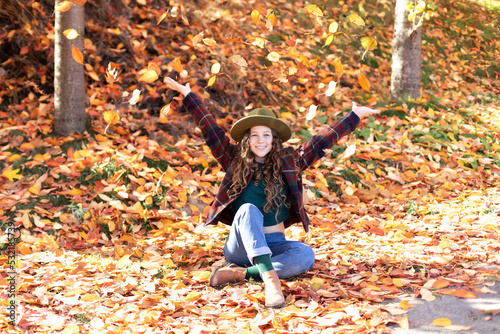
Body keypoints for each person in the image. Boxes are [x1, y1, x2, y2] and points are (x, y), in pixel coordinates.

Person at [165, 77, 380, 307]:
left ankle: (239, 274)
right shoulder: (234, 160)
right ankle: (271, 282)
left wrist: (353, 116)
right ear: (247, 138)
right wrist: (189, 96)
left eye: (266, 135)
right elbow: (211, 130)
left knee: (305, 255)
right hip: (240, 246)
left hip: (276, 243)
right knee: (248, 210)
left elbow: (319, 143)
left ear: (274, 138)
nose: (260, 140)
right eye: (254, 135)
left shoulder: (289, 162)